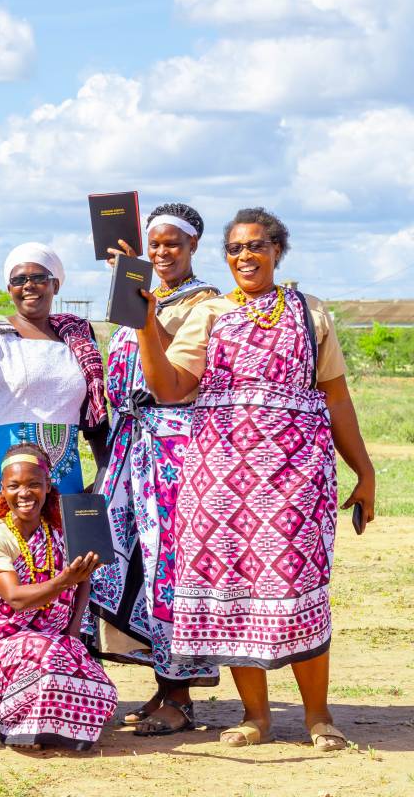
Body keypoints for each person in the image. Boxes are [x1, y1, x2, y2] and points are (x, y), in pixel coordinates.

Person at [136, 207, 375, 751]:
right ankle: (257, 717)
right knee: (237, 592)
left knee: (298, 588)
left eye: (257, 246)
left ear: (277, 251)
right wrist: (146, 324)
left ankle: (318, 715)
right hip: (220, 483)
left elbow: (336, 396)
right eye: (236, 248)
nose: (246, 256)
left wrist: (365, 472)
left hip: (294, 479)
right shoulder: (209, 314)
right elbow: (171, 388)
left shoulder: (309, 312)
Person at [87, 204, 221, 735]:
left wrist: (143, 311)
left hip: (175, 448)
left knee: (172, 567)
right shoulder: (141, 294)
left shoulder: (207, 303)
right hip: (128, 448)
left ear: (192, 248)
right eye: (155, 244)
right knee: (130, 567)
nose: (162, 253)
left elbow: (172, 373)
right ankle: (158, 685)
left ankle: (180, 693)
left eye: (173, 245)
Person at [0, 243, 109, 520]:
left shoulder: (78, 335)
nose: (29, 285)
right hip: (2, 471)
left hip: (63, 472)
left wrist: (104, 471)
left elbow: (94, 410)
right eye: (19, 280)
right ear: (9, 288)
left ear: (56, 285)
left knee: (60, 558)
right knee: (2, 555)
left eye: (39, 278)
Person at [0, 444, 117, 751]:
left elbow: (83, 580)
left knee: (102, 691)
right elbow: (16, 598)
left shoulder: (60, 532)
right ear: (2, 490)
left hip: (52, 645)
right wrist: (63, 581)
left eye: (33, 484)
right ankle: (16, 724)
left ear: (48, 486)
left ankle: (48, 719)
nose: (24, 493)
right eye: (14, 486)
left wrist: (72, 632)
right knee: (41, 651)